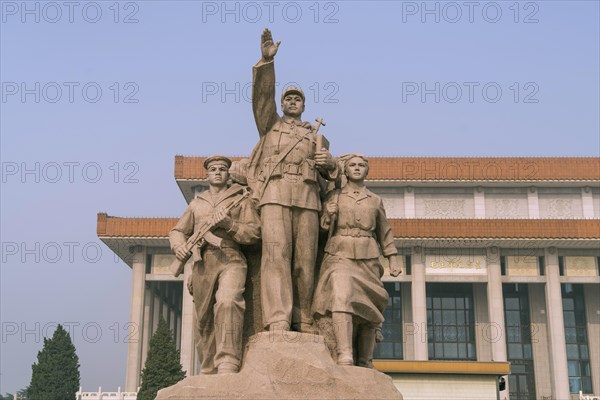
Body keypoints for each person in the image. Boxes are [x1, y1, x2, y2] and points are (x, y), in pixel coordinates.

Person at [248, 28, 338, 333]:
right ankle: (278, 318)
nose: (292, 102)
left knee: (304, 260)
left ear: (304, 105)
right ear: (282, 104)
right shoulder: (270, 126)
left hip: (307, 198)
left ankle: (303, 316)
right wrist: (266, 61)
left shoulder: (316, 135)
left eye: (297, 98)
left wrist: (330, 163)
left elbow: (335, 171)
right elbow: (262, 98)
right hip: (274, 195)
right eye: (288, 98)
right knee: (276, 256)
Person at [169, 156, 261, 374]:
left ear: (228, 174)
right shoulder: (196, 204)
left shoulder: (241, 199)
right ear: (207, 175)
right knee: (203, 320)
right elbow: (177, 231)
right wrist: (179, 246)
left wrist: (228, 224)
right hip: (203, 263)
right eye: (213, 169)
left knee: (228, 302)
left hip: (231, 258)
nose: (218, 172)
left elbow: (254, 232)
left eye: (222, 169)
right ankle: (208, 368)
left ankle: (228, 361)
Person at [312, 154, 402, 367]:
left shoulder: (375, 200)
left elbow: (384, 231)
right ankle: (345, 354)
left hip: (368, 256)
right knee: (341, 298)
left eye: (361, 165)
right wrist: (328, 216)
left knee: (371, 305)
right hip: (339, 254)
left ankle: (365, 359)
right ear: (346, 170)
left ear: (367, 170)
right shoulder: (334, 196)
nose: (357, 168)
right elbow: (321, 230)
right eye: (352, 165)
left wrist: (393, 258)